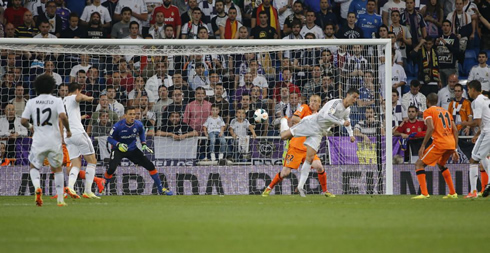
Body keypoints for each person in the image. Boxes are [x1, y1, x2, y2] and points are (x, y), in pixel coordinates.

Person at [280, 88, 359, 197]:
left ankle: (300, 186)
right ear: (347, 95)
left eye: (356, 98)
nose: (355, 100)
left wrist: (351, 134)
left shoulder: (347, 110)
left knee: (310, 157)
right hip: (312, 123)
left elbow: (347, 121)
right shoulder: (336, 103)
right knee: (284, 136)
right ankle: (283, 121)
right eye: (354, 97)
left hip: (319, 132)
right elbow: (326, 115)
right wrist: (341, 122)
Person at [263, 95, 335, 197]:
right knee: (285, 173)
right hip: (295, 147)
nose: (312, 103)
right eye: (311, 101)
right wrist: (308, 125)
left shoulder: (320, 116)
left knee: (319, 167)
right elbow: (295, 118)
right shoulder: (305, 108)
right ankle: (269, 188)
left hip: (308, 149)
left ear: (319, 104)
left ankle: (325, 191)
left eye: (315, 101)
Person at [20, 74, 72, 207]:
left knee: (34, 166)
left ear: (36, 87)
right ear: (52, 87)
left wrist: (31, 127)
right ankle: (60, 199)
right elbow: (63, 116)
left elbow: (23, 121)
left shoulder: (31, 101)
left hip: (38, 140)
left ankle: (37, 187)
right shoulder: (57, 100)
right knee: (57, 168)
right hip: (54, 140)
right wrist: (68, 129)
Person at [104, 106, 173, 196]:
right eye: (130, 114)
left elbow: (141, 133)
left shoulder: (138, 124)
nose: (133, 116)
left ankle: (161, 189)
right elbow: (109, 138)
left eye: (134, 114)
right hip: (118, 150)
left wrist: (143, 144)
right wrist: (118, 144)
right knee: (111, 169)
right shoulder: (118, 126)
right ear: (125, 115)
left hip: (132, 149)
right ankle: (101, 189)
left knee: (150, 165)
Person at [412, 93, 459, 199]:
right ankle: (453, 193)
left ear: (427, 102)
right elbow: (455, 130)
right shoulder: (445, 111)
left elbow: (431, 128)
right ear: (437, 101)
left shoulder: (428, 111)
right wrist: (454, 148)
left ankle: (424, 193)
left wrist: (423, 145)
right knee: (441, 164)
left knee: (419, 164)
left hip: (440, 143)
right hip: (450, 143)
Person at [60, 83, 100, 199]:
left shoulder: (62, 102)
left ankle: (70, 187)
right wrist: (89, 98)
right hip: (77, 133)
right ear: (78, 90)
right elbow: (79, 97)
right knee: (92, 161)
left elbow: (60, 120)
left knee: (76, 163)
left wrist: (61, 136)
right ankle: (87, 191)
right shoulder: (74, 97)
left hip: (67, 135)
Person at [464, 81, 490, 198]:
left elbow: (478, 122)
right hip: (486, 131)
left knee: (473, 159)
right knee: (483, 157)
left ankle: (473, 191)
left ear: (473, 89)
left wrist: (465, 123)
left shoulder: (477, 102)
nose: (468, 92)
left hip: (487, 133)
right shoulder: (486, 99)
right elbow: (485, 121)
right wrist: (477, 135)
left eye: (468, 90)